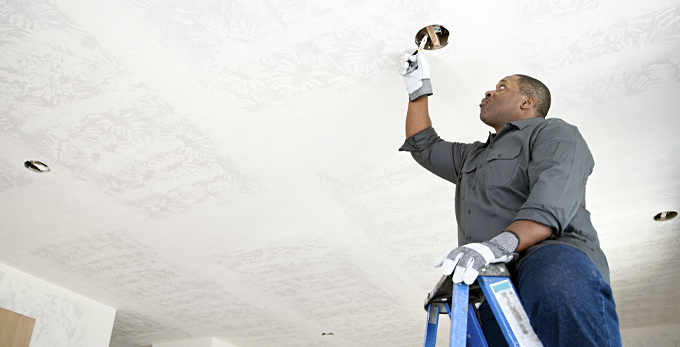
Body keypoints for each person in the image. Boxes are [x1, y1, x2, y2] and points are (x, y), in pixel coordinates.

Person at [398, 51, 621, 346]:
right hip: (498, 279)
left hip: (552, 257)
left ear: (527, 102)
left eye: (502, 87)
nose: (489, 91)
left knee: (553, 283)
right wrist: (417, 87)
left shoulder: (554, 132)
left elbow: (550, 204)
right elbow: (423, 146)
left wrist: (497, 246)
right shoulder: (470, 156)